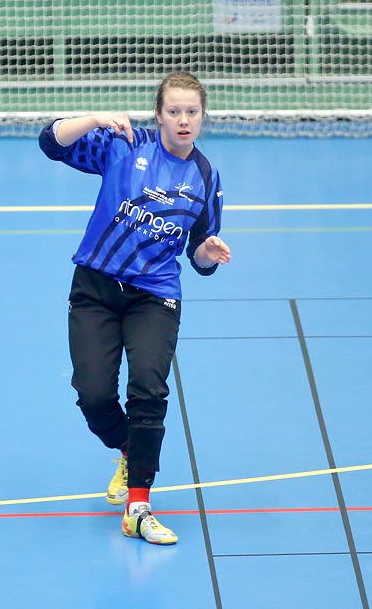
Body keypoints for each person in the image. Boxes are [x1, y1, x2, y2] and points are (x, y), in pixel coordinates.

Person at [38, 71, 232, 546]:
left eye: (192, 112)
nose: (183, 121)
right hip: (96, 288)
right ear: (159, 115)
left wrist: (207, 255)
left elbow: (199, 251)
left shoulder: (206, 177)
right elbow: (50, 142)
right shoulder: (125, 146)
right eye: (174, 111)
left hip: (156, 296)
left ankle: (138, 506)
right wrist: (94, 119)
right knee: (94, 396)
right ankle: (130, 448)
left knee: (149, 389)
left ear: (203, 116)